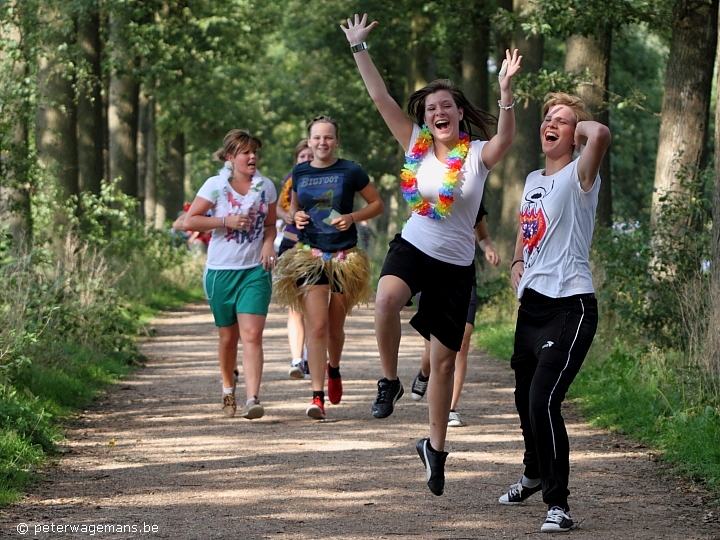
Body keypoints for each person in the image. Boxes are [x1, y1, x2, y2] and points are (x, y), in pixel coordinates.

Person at [341, 13, 521, 496]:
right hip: (415, 244)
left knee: (443, 363)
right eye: (431, 108)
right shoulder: (415, 144)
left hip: (456, 265)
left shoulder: (478, 154)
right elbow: (380, 98)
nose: (439, 112)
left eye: (447, 106)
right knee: (385, 300)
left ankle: (435, 450)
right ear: (424, 118)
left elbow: (506, 138)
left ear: (459, 114)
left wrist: (505, 92)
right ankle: (388, 382)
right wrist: (360, 48)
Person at [497, 92, 610, 533]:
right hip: (533, 305)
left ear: (575, 134)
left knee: (545, 400)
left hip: (572, 305)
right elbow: (528, 230)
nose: (551, 124)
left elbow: (598, 133)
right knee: (525, 399)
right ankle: (531, 473)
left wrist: (576, 122)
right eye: (547, 118)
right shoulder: (530, 178)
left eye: (561, 121)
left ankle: (558, 505)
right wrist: (517, 261)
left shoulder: (582, 175)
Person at [273, 115, 385, 420]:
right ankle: (317, 396)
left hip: (344, 259)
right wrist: (295, 216)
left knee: (335, 328)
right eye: (317, 138)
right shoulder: (300, 171)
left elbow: (377, 205)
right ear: (309, 141)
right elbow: (295, 206)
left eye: (328, 138)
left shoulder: (351, 170)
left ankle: (333, 369)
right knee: (318, 325)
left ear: (336, 141)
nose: (322, 143)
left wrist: (352, 218)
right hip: (309, 254)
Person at [184, 129, 278, 420]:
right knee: (228, 338)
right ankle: (228, 389)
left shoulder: (266, 187)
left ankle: (252, 399)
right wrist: (224, 220)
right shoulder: (215, 186)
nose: (252, 157)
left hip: (254, 270)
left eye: (255, 152)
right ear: (230, 158)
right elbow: (191, 220)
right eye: (245, 152)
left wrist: (267, 245)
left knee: (252, 335)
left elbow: (271, 224)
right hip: (221, 271)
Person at [410, 202, 501, 428]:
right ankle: (424, 373)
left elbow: (483, 236)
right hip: (430, 274)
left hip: (462, 276)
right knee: (433, 348)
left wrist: (488, 249)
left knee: (461, 341)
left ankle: (450, 408)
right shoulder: (430, 190)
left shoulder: (474, 195)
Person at [276, 140, 314, 379]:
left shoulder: (327, 178)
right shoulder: (289, 180)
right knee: (294, 306)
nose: (306, 159)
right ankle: (296, 359)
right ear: (296, 159)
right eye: (302, 156)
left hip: (317, 245)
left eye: (310, 155)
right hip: (290, 243)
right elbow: (279, 208)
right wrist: (288, 216)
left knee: (314, 305)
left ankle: (312, 356)